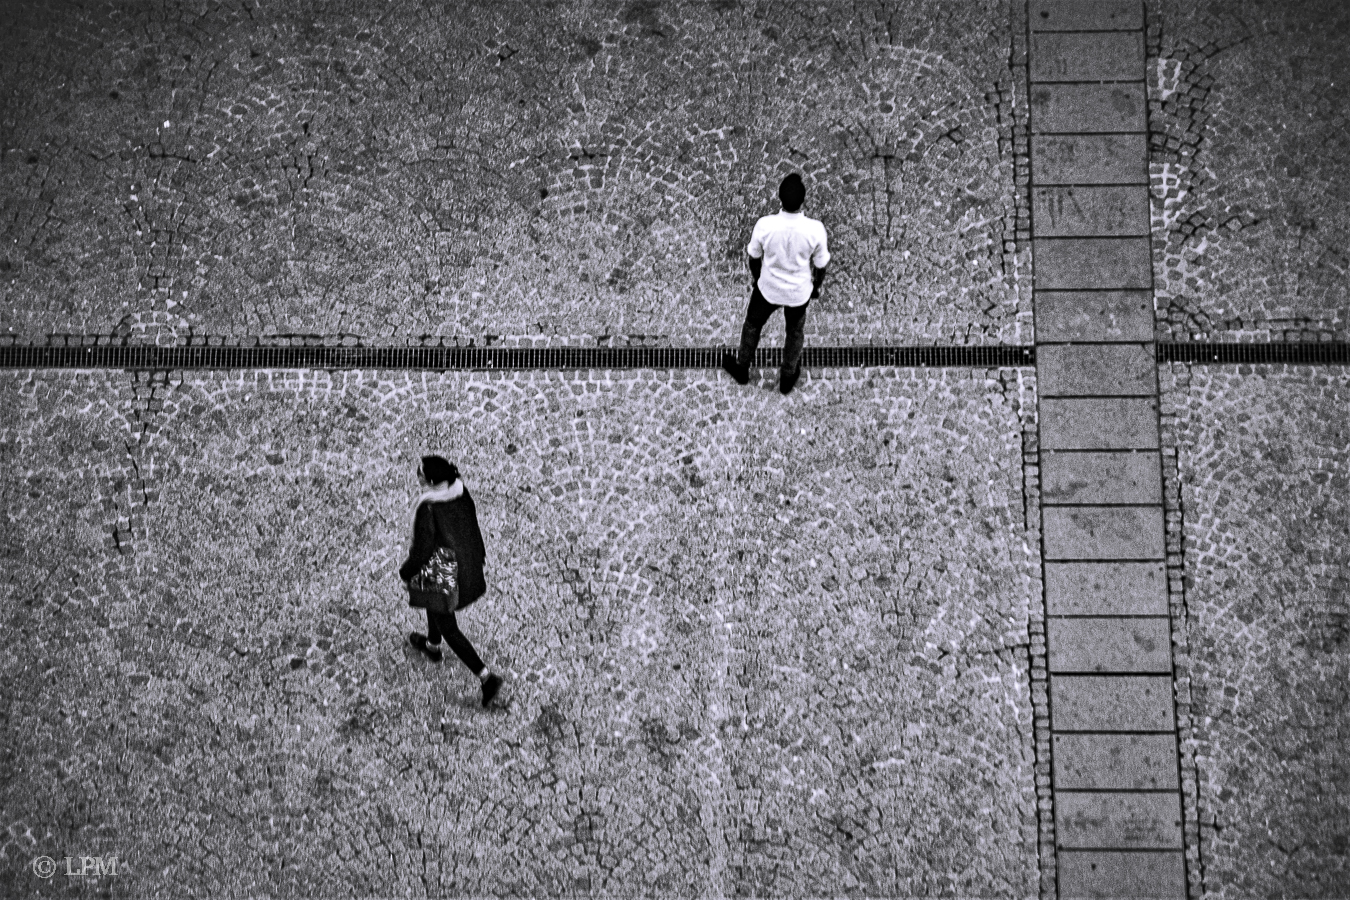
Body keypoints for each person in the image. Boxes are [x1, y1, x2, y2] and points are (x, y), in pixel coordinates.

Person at [399, 455, 503, 708]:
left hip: (444, 574)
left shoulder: (428, 507)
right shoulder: (459, 491)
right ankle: (433, 646)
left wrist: (406, 572)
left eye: (421, 473)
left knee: (449, 627)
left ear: (432, 481)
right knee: (433, 605)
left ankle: (486, 678)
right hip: (466, 562)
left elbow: (422, 551)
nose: (418, 476)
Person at [722, 172, 830, 395]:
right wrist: (816, 287)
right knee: (794, 332)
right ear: (803, 200)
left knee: (752, 325)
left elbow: (753, 257)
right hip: (799, 293)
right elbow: (820, 266)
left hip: (768, 288)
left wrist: (757, 279)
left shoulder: (765, 225)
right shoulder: (815, 230)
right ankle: (788, 376)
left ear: (779, 198)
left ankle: (742, 367)